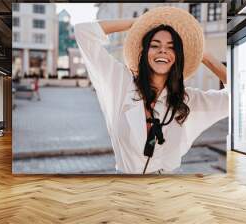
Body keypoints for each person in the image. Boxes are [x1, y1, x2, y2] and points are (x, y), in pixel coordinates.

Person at [74, 7, 228, 174]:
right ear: (144, 52)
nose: (163, 50)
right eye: (155, 45)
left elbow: (240, 95)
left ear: (177, 56)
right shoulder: (121, 84)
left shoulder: (188, 100)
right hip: (125, 193)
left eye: (171, 47)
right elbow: (83, 32)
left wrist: (204, 56)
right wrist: (139, 23)